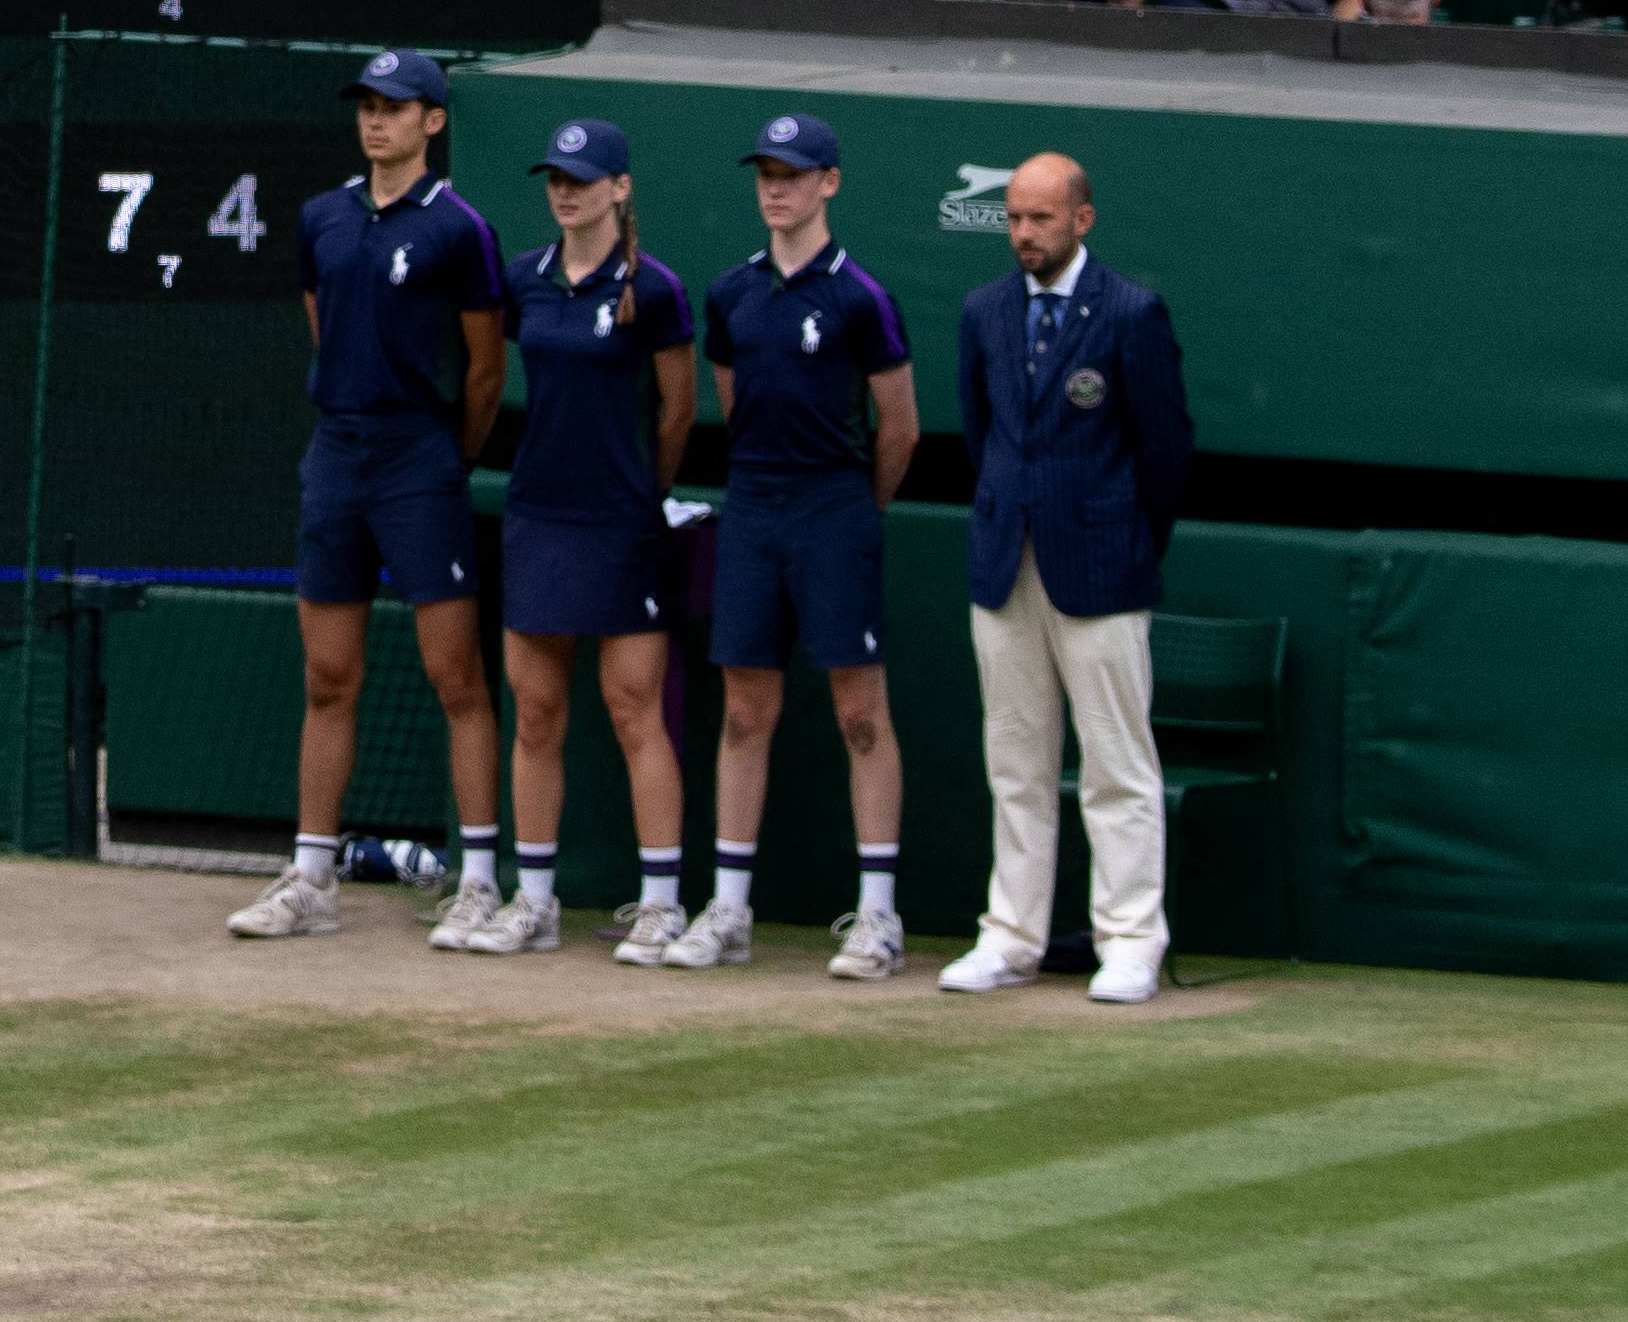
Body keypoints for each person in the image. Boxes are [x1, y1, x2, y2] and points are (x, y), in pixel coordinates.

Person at [224, 47, 509, 938]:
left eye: (395, 106)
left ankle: (480, 880)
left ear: (433, 120)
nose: (376, 119)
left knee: (454, 675)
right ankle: (312, 879)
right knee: (327, 674)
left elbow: (487, 369)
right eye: (367, 106)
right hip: (336, 457)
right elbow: (325, 324)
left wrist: (441, 456)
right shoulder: (321, 218)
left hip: (419, 462)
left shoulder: (460, 229)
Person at [937, 142, 1195, 1005]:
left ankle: (1130, 941)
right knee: (1015, 760)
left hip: (1103, 566)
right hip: (1004, 561)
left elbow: (1165, 452)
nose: (1023, 233)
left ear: (1081, 219)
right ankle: (1011, 935)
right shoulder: (984, 311)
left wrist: (1122, 538)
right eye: (1013, 217)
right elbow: (982, 436)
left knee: (1119, 766)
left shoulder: (1130, 314)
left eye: (1040, 218)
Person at [460, 115, 703, 964]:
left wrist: (644, 489)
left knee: (635, 709)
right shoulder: (523, 282)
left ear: (620, 188)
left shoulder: (656, 290)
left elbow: (677, 412)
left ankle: (663, 904)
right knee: (536, 711)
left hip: (621, 522)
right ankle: (533, 901)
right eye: (556, 179)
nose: (565, 191)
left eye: (582, 178)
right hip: (539, 516)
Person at [686, 105, 920, 981]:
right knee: (746, 712)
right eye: (765, 175)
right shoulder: (731, 293)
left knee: (861, 714)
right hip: (752, 508)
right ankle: (730, 909)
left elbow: (898, 429)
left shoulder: (862, 298)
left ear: (829, 183)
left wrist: (856, 513)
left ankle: (878, 917)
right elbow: (733, 399)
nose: (775, 189)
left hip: (834, 512)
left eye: (792, 175)